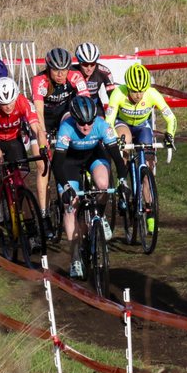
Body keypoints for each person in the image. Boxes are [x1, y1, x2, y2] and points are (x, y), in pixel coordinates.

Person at [53, 95, 126, 279]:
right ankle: (75, 257)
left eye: (89, 123)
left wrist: (123, 182)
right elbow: (57, 165)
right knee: (70, 208)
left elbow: (117, 159)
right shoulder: (66, 128)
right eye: (81, 123)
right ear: (74, 119)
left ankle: (99, 217)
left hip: (94, 156)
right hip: (70, 162)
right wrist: (66, 187)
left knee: (103, 185)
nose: (86, 127)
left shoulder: (102, 126)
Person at [104, 62, 177, 235]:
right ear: (127, 87)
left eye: (141, 91)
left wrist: (170, 134)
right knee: (125, 140)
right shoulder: (118, 93)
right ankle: (123, 184)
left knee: (148, 170)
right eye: (134, 91)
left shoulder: (152, 93)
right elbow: (109, 121)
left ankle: (150, 214)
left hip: (143, 127)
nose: (138, 95)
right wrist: (115, 139)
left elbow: (171, 118)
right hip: (122, 125)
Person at [30, 47, 88, 232]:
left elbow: (85, 102)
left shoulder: (75, 77)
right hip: (42, 122)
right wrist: (42, 138)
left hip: (64, 118)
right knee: (43, 166)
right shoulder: (40, 81)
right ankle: (44, 213)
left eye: (65, 69)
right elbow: (37, 112)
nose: (61, 74)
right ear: (48, 68)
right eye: (56, 70)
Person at [0, 76, 47, 226]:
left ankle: (29, 226)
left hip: (14, 141)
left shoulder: (23, 102)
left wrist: (43, 148)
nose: (8, 106)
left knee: (21, 183)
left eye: (10, 102)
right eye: (3, 103)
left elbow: (38, 130)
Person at [73, 42, 114, 116]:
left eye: (92, 64)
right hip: (75, 105)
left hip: (95, 105)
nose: (89, 68)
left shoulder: (104, 71)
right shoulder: (71, 71)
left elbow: (113, 95)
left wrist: (111, 111)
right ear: (79, 62)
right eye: (85, 64)